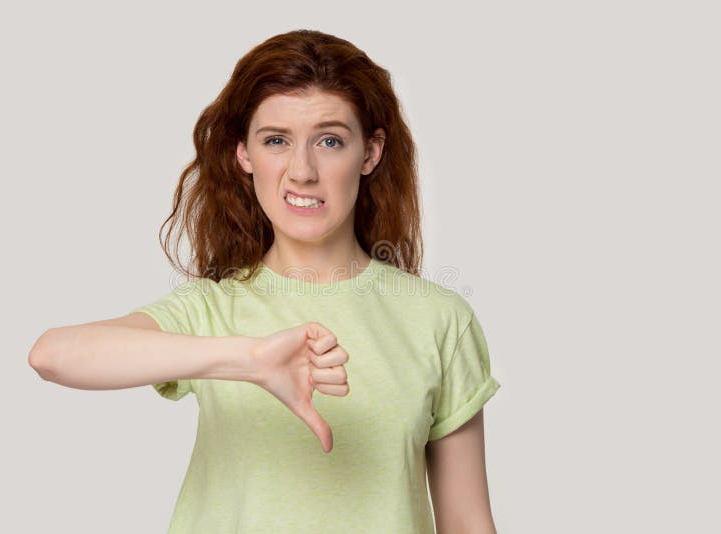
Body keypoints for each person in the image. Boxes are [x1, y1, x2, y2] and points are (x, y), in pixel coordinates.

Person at [28, 29, 501, 534]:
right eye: (276, 140)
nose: (302, 171)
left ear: (370, 153)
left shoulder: (438, 319)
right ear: (243, 155)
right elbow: (53, 355)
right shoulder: (210, 311)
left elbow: (468, 522)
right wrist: (248, 360)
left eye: (330, 140)